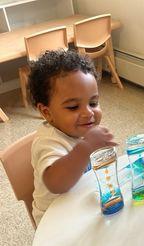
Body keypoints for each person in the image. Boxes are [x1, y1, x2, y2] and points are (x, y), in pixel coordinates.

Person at [28, 49, 117, 226]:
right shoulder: (48, 142)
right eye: (73, 107)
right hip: (56, 222)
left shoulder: (84, 133)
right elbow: (56, 184)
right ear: (47, 112)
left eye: (93, 103)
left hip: (82, 204)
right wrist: (86, 148)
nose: (88, 112)